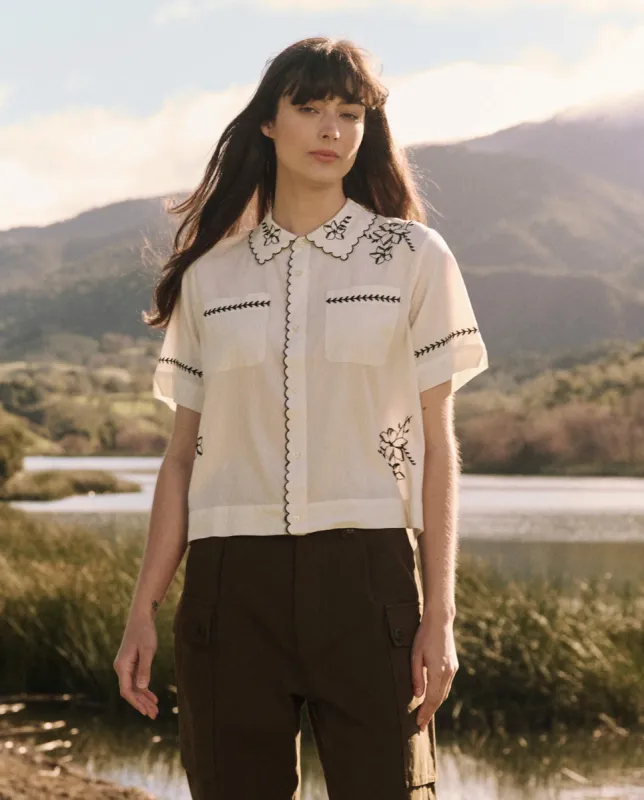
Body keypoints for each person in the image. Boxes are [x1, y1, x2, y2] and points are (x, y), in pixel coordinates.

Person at [114, 36, 488, 800]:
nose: (331, 129)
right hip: (228, 586)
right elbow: (182, 457)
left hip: (368, 581)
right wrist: (142, 608)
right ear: (267, 124)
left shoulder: (414, 257)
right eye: (311, 109)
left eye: (350, 113)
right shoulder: (211, 277)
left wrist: (439, 613)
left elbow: (437, 445)